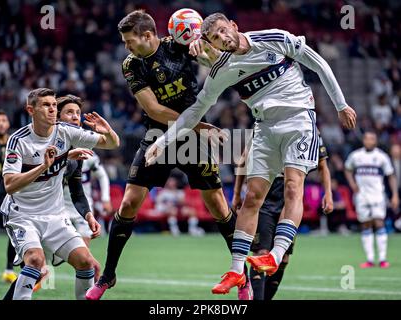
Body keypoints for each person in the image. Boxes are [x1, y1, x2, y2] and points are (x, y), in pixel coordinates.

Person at [145, 13, 356, 295]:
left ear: (233, 25)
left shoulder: (275, 38)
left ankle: (276, 255)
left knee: (293, 186)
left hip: (299, 120)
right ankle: (235, 270)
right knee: (252, 198)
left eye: (223, 31)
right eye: (215, 38)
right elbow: (195, 111)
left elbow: (318, 64)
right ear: (211, 43)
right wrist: (163, 141)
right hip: (264, 128)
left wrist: (341, 105)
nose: (222, 38)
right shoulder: (221, 69)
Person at [86, 10, 252, 300]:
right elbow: (153, 109)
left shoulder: (178, 45)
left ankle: (243, 278)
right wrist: (199, 125)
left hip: (192, 140)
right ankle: (108, 277)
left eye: (129, 41)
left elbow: (218, 63)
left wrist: (205, 50)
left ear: (147, 36)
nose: (126, 47)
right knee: (128, 203)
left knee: (217, 205)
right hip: (157, 137)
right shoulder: (132, 65)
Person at [0, 88, 119, 300]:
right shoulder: (18, 140)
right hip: (22, 214)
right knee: (36, 262)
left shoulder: (65, 132)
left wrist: (107, 131)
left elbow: (112, 143)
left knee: (86, 261)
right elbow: (10, 185)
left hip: (55, 215)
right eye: (46, 105)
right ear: (31, 110)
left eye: (54, 105)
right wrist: (43, 166)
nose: (52, 109)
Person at [232, 131, 333, 300]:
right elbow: (244, 159)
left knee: (283, 259)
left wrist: (328, 193)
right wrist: (236, 194)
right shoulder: (265, 122)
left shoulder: (310, 131)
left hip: (289, 197)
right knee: (262, 252)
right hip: (264, 193)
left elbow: (322, 165)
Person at [57, 94, 112, 246]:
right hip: (55, 207)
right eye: (69, 112)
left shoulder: (88, 153)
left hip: (81, 207)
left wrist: (105, 198)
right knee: (42, 259)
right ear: (58, 117)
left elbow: (102, 175)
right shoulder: (50, 145)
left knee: (85, 257)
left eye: (78, 113)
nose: (75, 117)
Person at [345, 130, 399, 268]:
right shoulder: (356, 156)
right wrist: (352, 184)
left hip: (377, 195)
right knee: (365, 224)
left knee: (379, 222)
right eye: (367, 139)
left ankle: (382, 259)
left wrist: (395, 195)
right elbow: (347, 169)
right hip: (361, 196)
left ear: (375, 141)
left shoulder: (381, 157)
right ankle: (369, 259)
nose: (369, 141)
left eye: (372, 139)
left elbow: (391, 175)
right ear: (364, 140)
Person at [0, 110, 18, 284]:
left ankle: (9, 270)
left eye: (4, 120)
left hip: (10, 195)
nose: (1, 124)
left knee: (13, 232)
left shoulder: (15, 142)